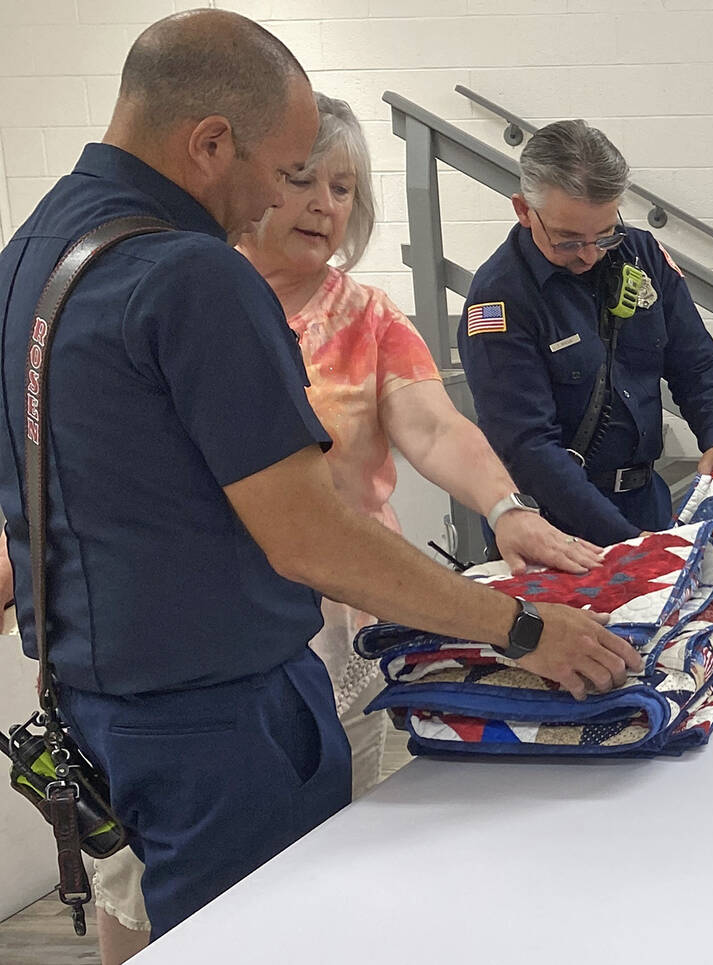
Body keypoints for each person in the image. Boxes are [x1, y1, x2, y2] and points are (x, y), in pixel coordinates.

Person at [0, 9, 640, 951]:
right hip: (226, 723)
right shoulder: (195, 278)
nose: (282, 198)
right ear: (211, 142)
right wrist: (522, 626)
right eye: (283, 169)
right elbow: (309, 535)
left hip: (101, 706)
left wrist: (504, 507)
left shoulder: (32, 257)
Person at [457, 119, 713, 548]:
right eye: (568, 240)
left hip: (644, 502)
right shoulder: (500, 299)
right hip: (552, 522)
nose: (588, 254)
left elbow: (696, 366)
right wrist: (628, 543)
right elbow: (527, 446)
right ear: (524, 211)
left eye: (604, 235)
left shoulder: (641, 255)